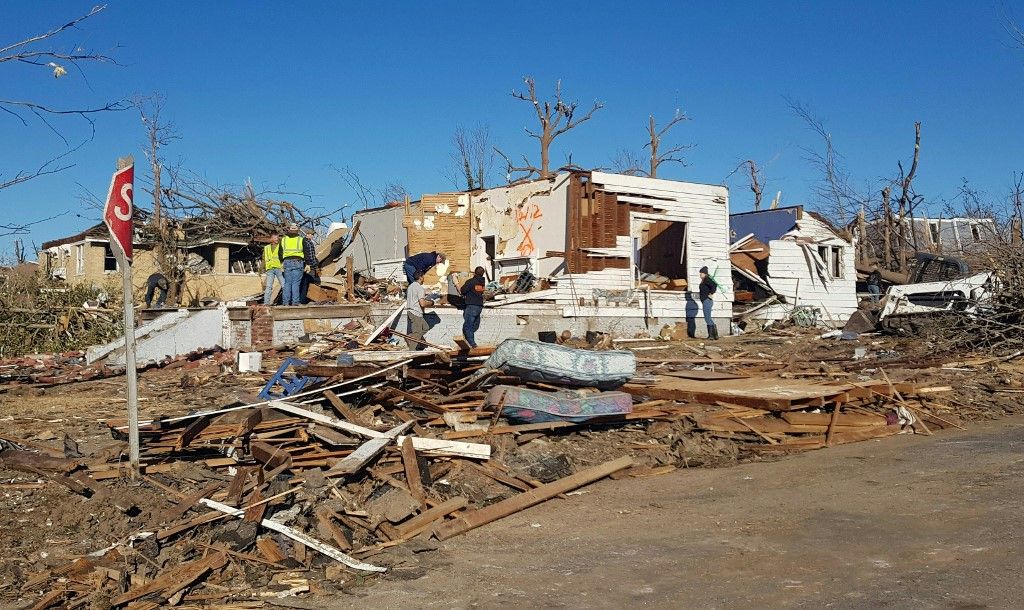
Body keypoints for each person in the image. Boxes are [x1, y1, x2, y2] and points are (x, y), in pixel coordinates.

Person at [280, 222, 318, 306]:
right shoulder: (301, 239)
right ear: (297, 230)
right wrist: (308, 264)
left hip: (287, 262)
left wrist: (281, 262)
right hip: (298, 262)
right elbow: (306, 252)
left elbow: (280, 252)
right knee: (295, 283)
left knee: (287, 283)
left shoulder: (284, 239)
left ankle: (285, 302)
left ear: (289, 230)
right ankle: (295, 302)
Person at [405, 270, 434, 350]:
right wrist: (431, 303)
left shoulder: (410, 286)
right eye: (423, 276)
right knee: (417, 333)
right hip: (416, 312)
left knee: (425, 327)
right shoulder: (419, 288)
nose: (424, 278)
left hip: (410, 311)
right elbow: (422, 304)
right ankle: (411, 352)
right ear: (420, 277)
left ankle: (410, 337)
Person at [460, 266, 487, 348]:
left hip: (471, 306)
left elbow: (463, 290)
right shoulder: (482, 283)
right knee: (474, 325)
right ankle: (467, 339)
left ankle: (472, 344)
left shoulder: (471, 281)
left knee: (468, 325)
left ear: (475, 273)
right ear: (483, 273)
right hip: (479, 307)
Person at [698, 266, 719, 340]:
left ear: (705, 274)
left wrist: (711, 293)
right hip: (706, 300)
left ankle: (711, 336)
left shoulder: (707, 279)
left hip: (707, 300)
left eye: (701, 273)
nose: (700, 275)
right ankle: (715, 335)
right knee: (708, 317)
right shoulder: (704, 280)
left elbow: (714, 285)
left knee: (707, 318)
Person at [262, 233, 283, 305]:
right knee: (268, 287)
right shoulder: (266, 248)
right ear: (271, 239)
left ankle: (286, 301)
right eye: (275, 238)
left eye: (277, 237)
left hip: (279, 268)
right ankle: (266, 303)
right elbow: (264, 258)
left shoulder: (281, 246)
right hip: (270, 269)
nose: (276, 239)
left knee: (284, 285)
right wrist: (261, 269)